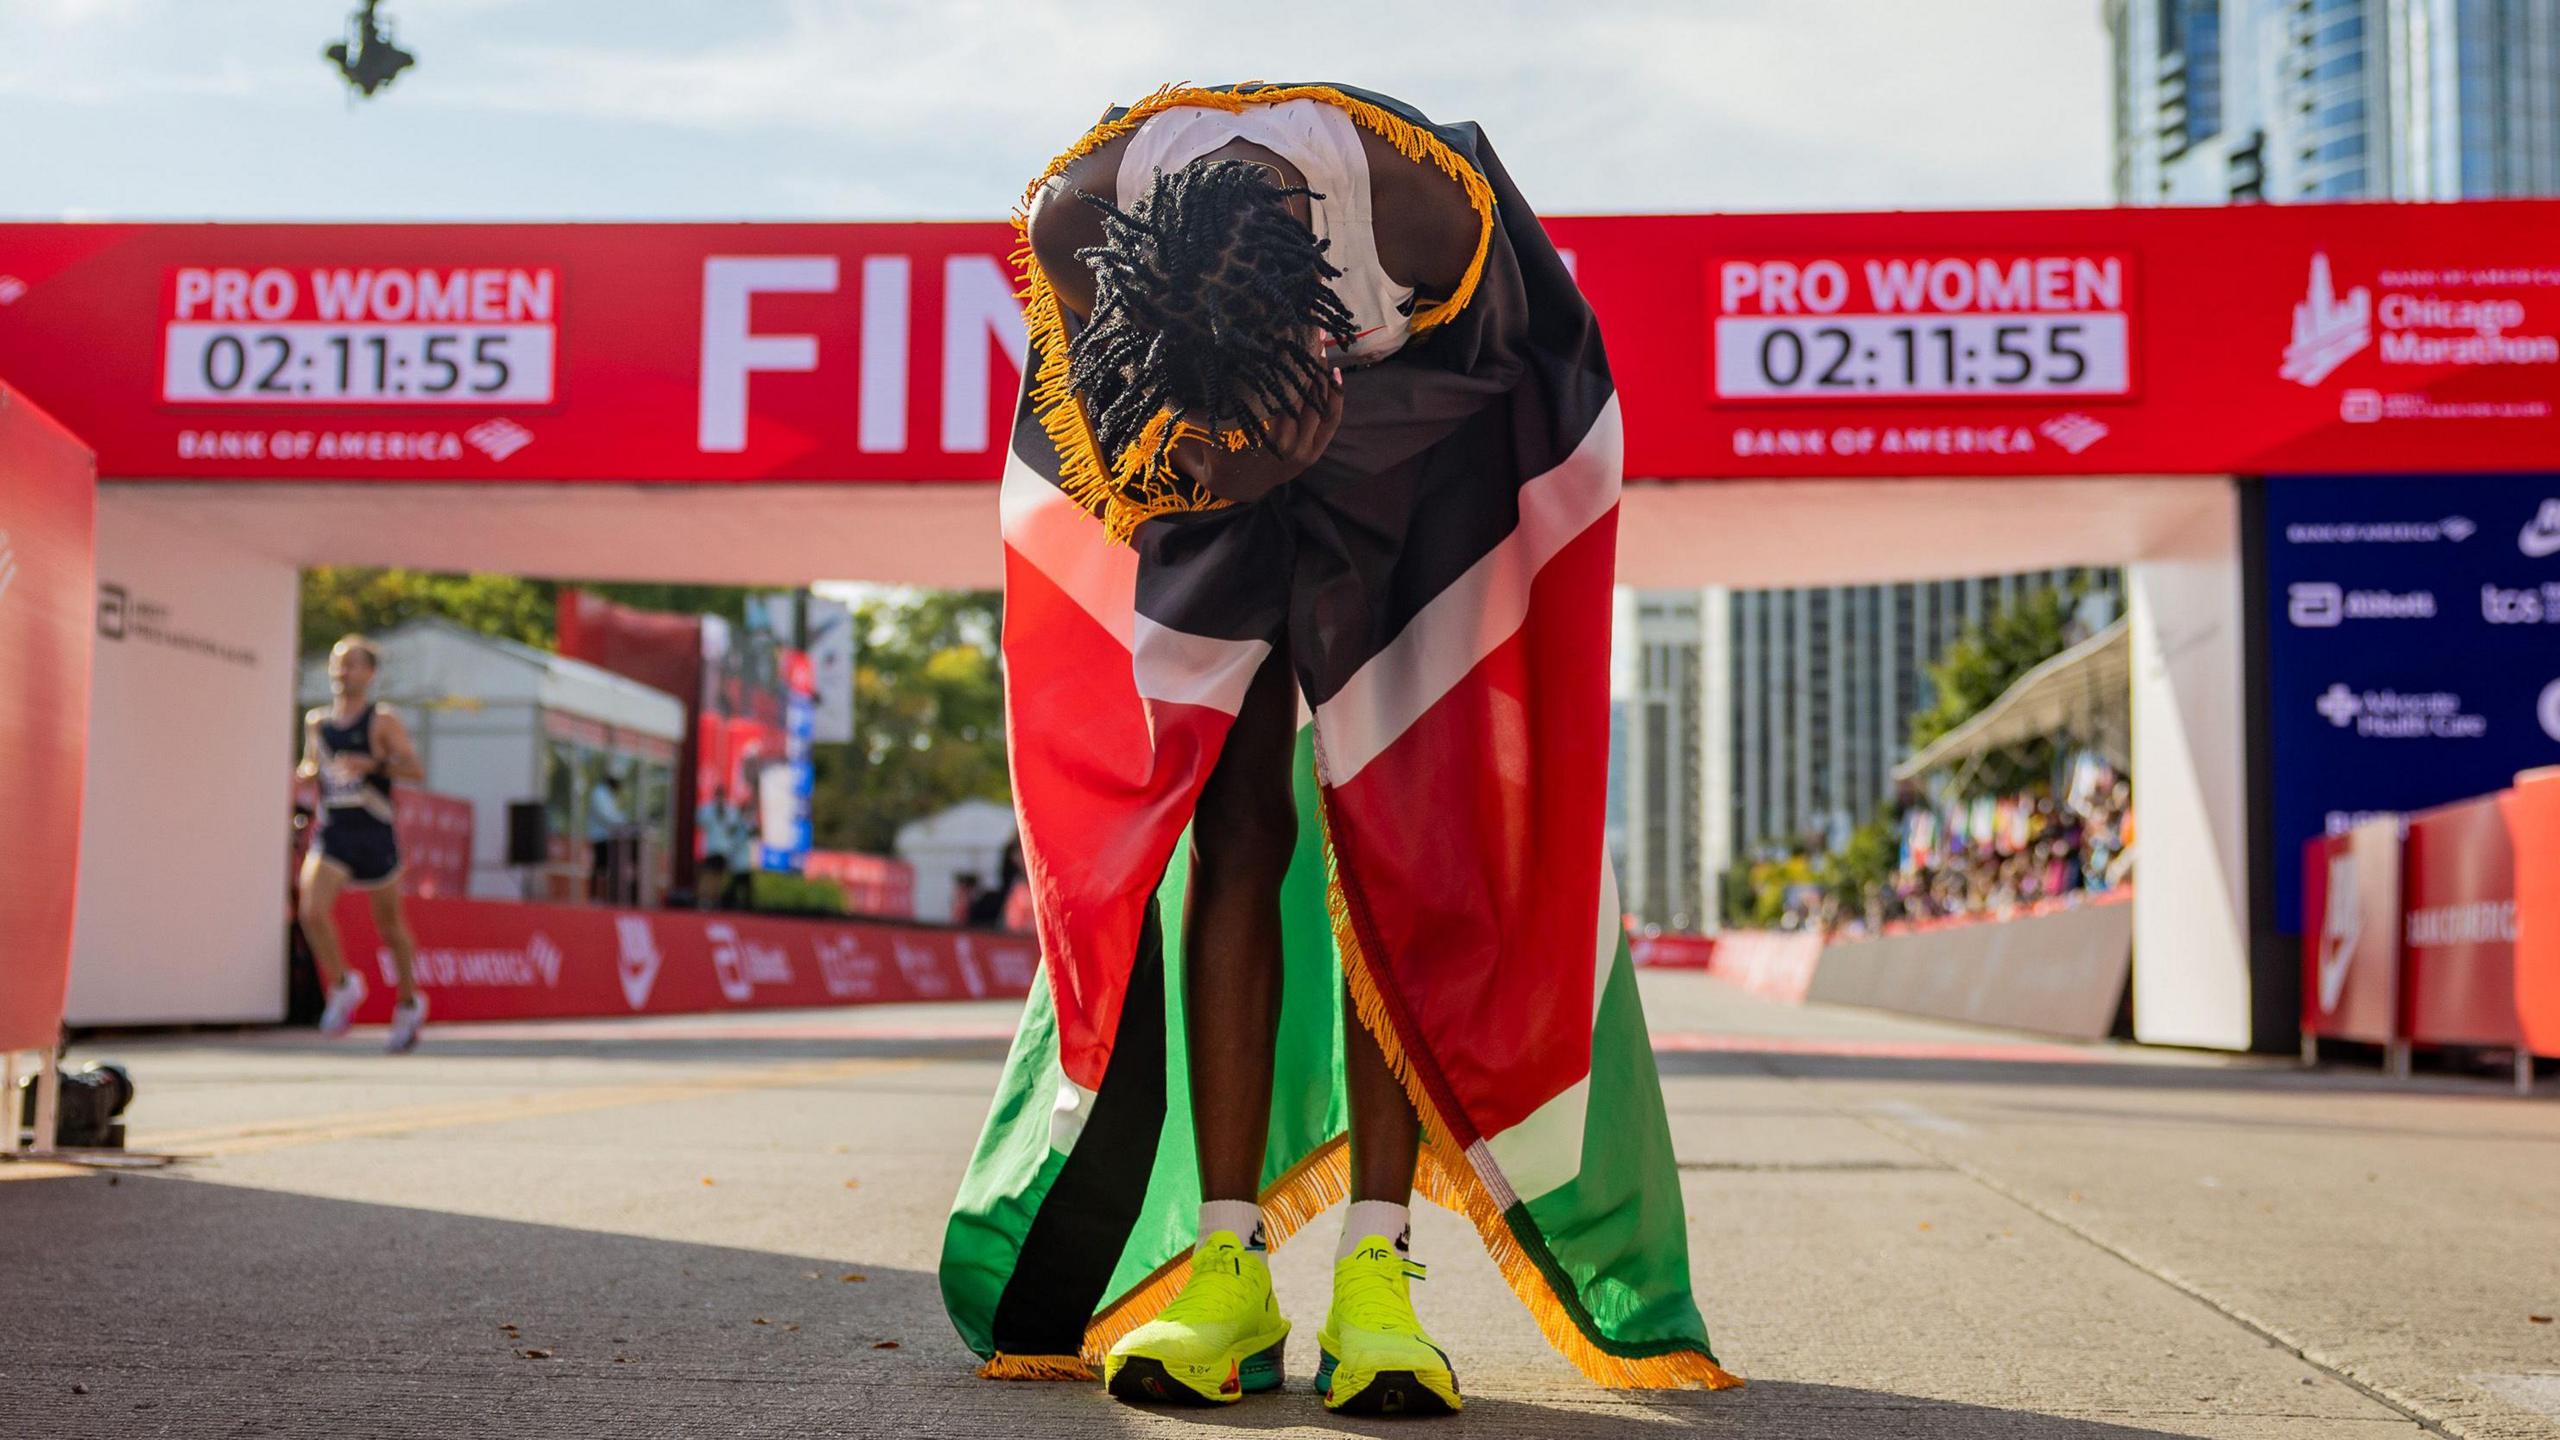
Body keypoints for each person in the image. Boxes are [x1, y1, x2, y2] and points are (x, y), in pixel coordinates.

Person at [942, 84, 1735, 1415]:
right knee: (1227, 808)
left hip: (1442, 423)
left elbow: (1512, 366)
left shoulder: (1426, 215)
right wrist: (1180, 467)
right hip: (1194, 417)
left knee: (1404, 813)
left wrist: (1314, 449)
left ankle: (1381, 1270)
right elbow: (1091, 437)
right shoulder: (1077, 220)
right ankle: (1227, 1264)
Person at [298, 635, 428, 1053]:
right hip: (334, 827)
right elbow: (312, 764)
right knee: (312, 911)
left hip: (373, 829)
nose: (343, 672)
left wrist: (369, 763)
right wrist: (304, 773)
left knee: (390, 926)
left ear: (370, 673)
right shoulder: (317, 722)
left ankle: (408, 1003)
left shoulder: (381, 720)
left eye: (352, 664)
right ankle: (342, 984)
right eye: (338, 664)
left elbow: (414, 769)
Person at [587, 772, 627, 904]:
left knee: (605, 868)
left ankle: (604, 896)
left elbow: (612, 815)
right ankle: (595, 896)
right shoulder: (599, 794)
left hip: (608, 836)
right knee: (599, 867)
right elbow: (606, 816)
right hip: (601, 836)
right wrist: (620, 821)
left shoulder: (607, 795)